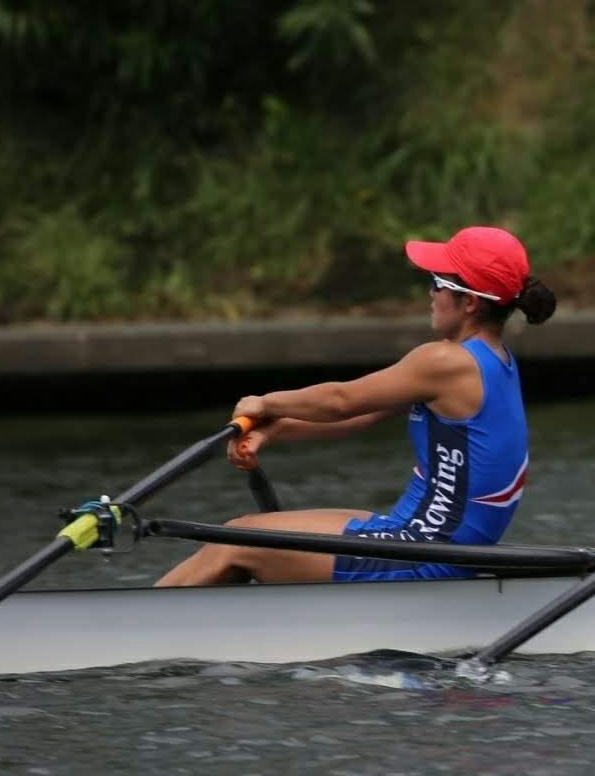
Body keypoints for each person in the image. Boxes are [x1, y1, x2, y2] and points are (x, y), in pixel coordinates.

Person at [155, 226, 558, 586]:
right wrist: (275, 429)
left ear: (469, 301)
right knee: (250, 529)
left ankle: (139, 629)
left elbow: (340, 401)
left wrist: (264, 402)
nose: (430, 294)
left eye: (438, 283)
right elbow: (364, 414)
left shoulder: (445, 362)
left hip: (425, 551)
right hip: (422, 536)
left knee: (234, 540)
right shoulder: (496, 361)